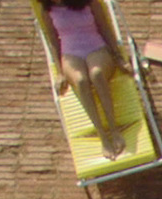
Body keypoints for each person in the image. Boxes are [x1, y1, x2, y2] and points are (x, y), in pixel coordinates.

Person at [39, 0, 128, 159]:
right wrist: (59, 72)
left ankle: (114, 130)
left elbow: (105, 27)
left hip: (95, 47)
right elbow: (52, 40)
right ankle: (103, 136)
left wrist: (119, 57)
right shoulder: (47, 8)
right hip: (70, 53)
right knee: (80, 81)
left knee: (97, 75)